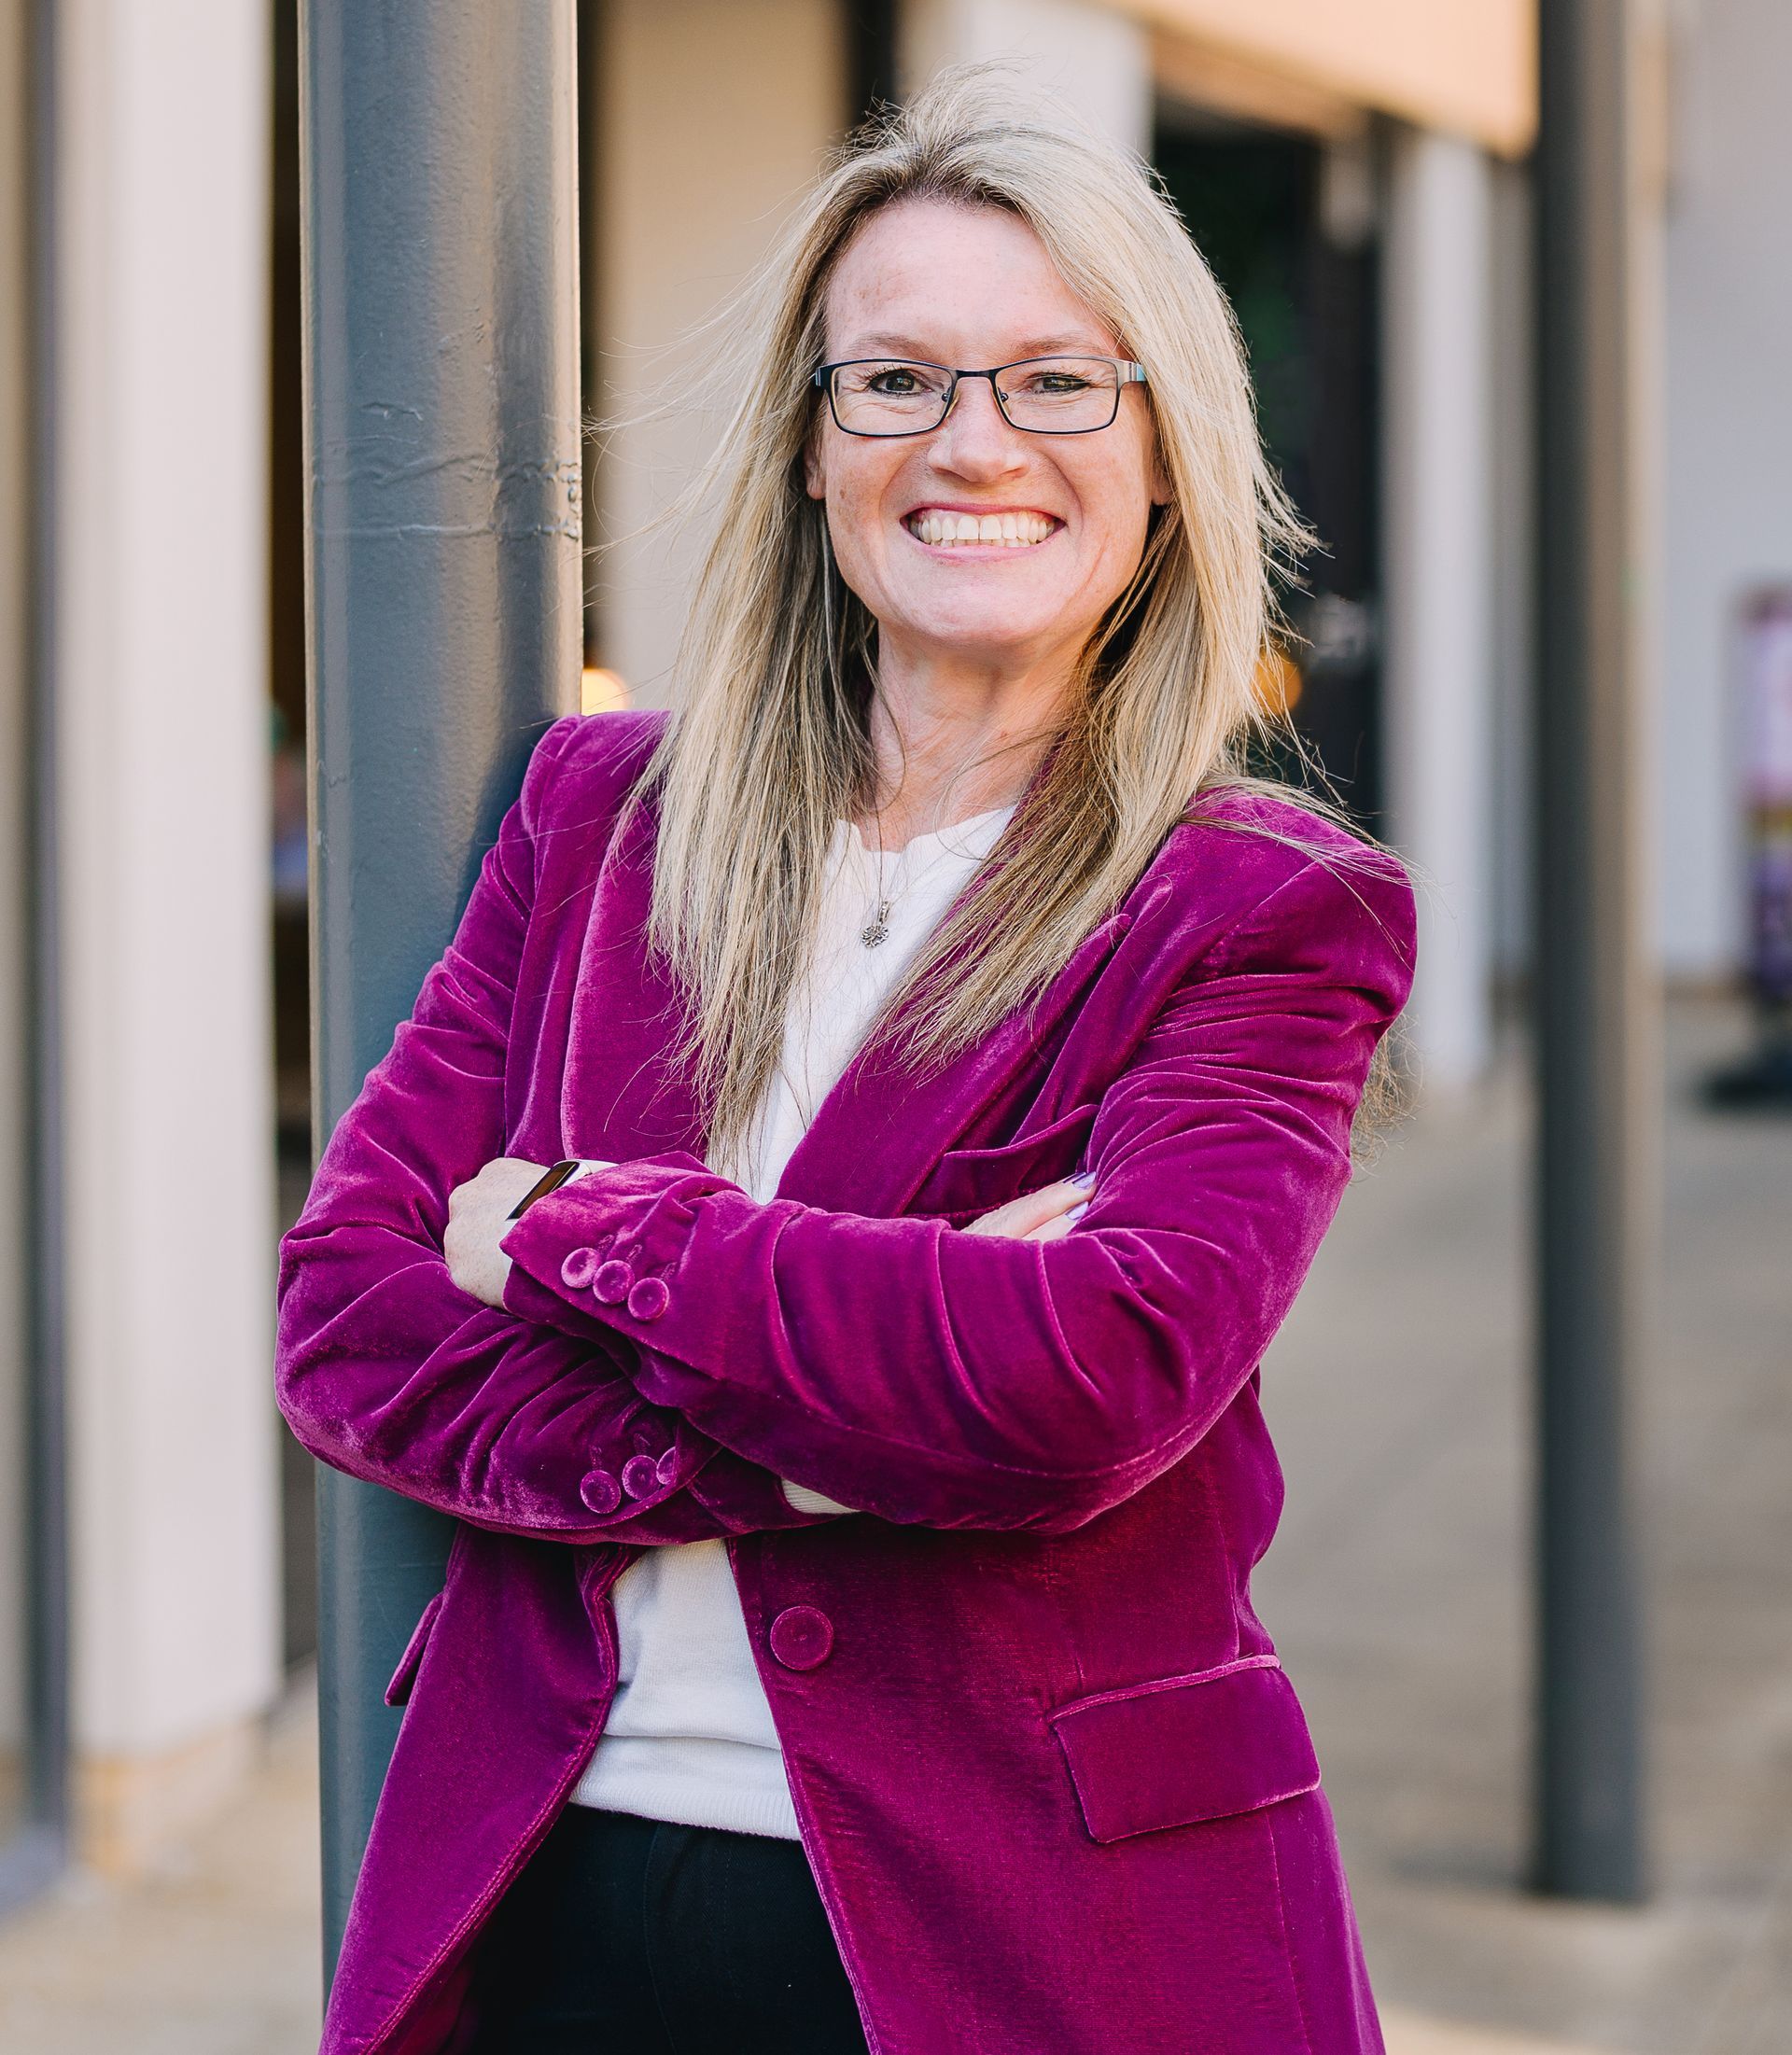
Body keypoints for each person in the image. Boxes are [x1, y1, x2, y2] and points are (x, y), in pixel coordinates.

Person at [276, 69, 1414, 2055]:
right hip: (555, 1881)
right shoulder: (600, 813)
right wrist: (841, 1423)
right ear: (813, 453)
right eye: (895, 381)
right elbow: (349, 1321)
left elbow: (1094, 1377)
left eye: (1060, 381)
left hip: (1046, 1928)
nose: (974, 441)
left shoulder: (1257, 906)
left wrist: (576, 1238)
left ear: (1162, 456)